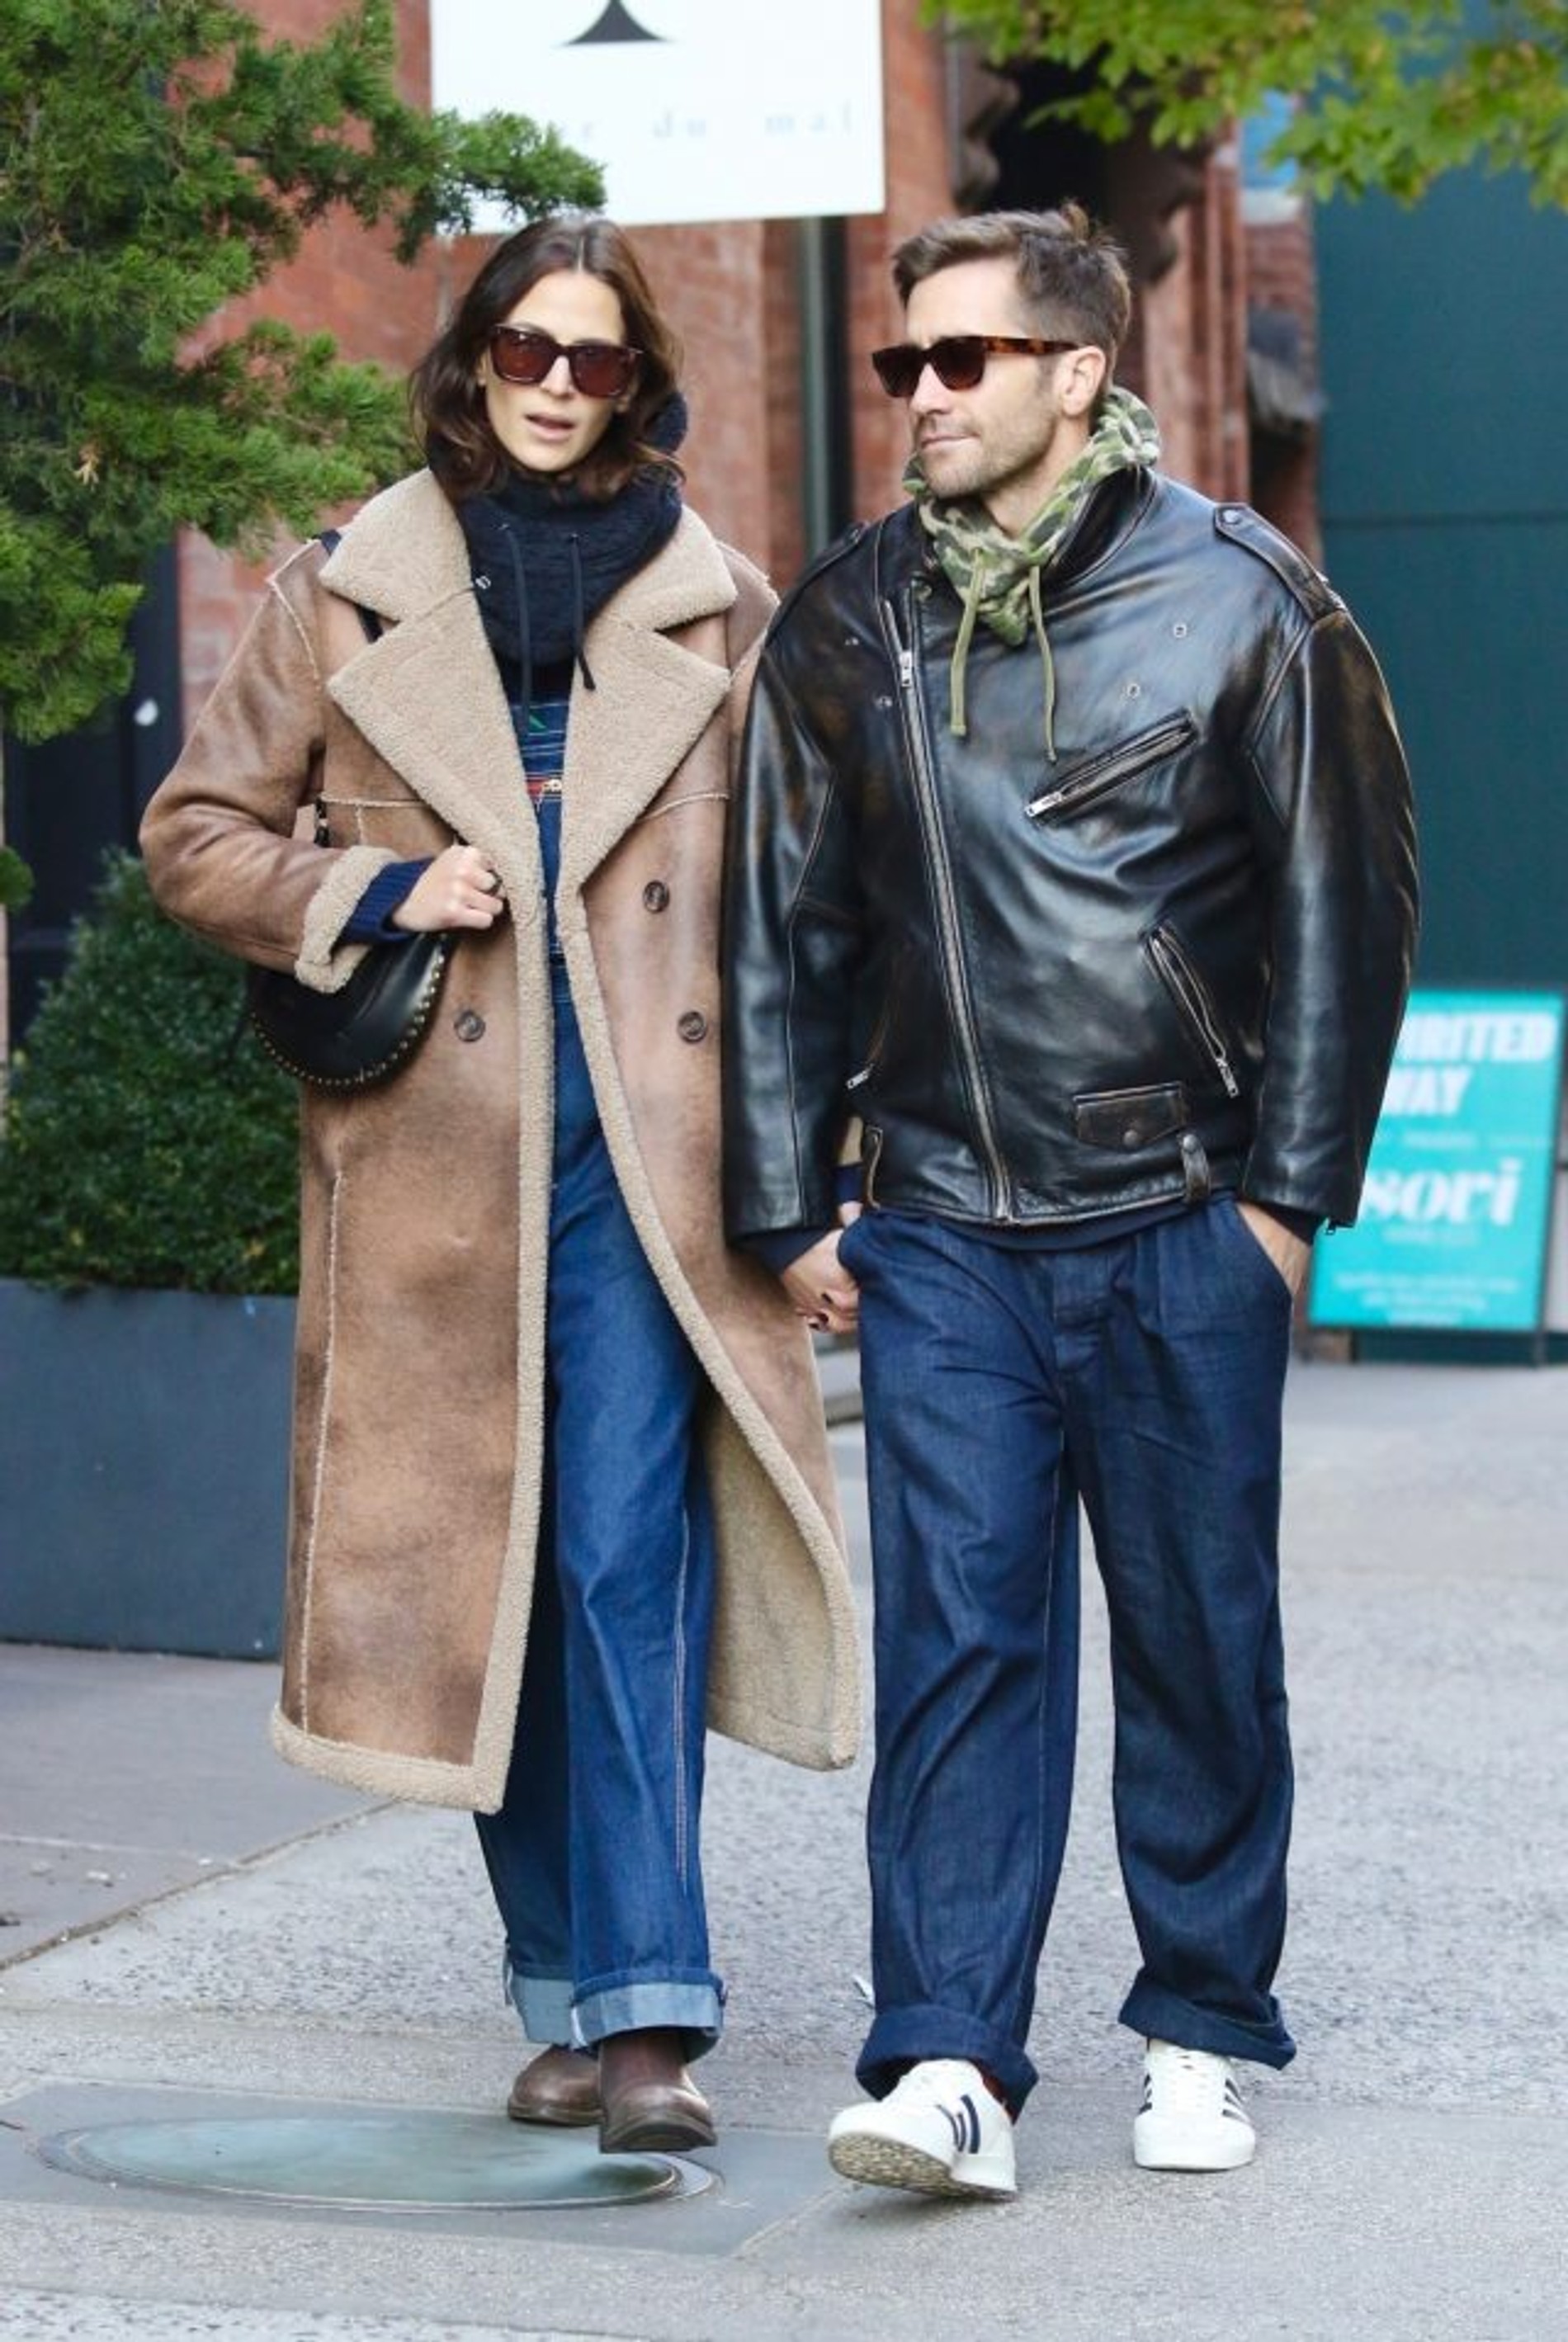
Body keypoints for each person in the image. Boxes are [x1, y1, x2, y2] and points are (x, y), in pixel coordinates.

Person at [141, 214, 858, 2159]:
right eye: (525, 349)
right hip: (431, 1173)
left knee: (627, 1556)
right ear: (471, 360)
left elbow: (803, 917)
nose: (554, 385)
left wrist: (819, 1182)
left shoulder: (720, 609)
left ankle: (645, 2020)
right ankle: (558, 1993)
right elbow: (195, 836)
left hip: (649, 1166)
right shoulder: (342, 591)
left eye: (593, 358)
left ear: (637, 384)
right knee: (500, 1579)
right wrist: (376, 885)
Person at [723, 205, 1417, 2202]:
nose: (919, 395)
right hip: (939, 1223)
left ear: (1076, 372)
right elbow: (780, 926)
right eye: (902, 361)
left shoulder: (1244, 601)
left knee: (1196, 1639)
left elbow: (1345, 911)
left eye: (962, 359)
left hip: (1179, 1212)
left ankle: (1200, 2022)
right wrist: (786, 1203)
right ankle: (948, 2060)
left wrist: (1280, 1211)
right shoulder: (844, 621)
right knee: (958, 1646)